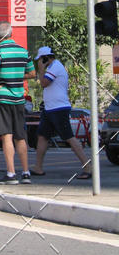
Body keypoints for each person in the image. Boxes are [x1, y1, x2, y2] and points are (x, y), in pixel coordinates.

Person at [31, 47, 92, 179]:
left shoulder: (55, 67)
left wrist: (41, 69)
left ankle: (87, 167)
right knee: (42, 136)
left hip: (59, 108)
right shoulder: (52, 68)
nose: (39, 63)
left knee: (69, 137)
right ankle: (38, 167)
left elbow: (44, 83)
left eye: (41, 60)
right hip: (49, 109)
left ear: (46, 58)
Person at [0, 21, 36, 184]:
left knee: (6, 136)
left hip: (3, 98)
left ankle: (11, 174)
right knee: (20, 136)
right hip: (19, 99)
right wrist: (17, 77)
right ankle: (26, 172)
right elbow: (32, 73)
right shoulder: (23, 52)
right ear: (11, 33)